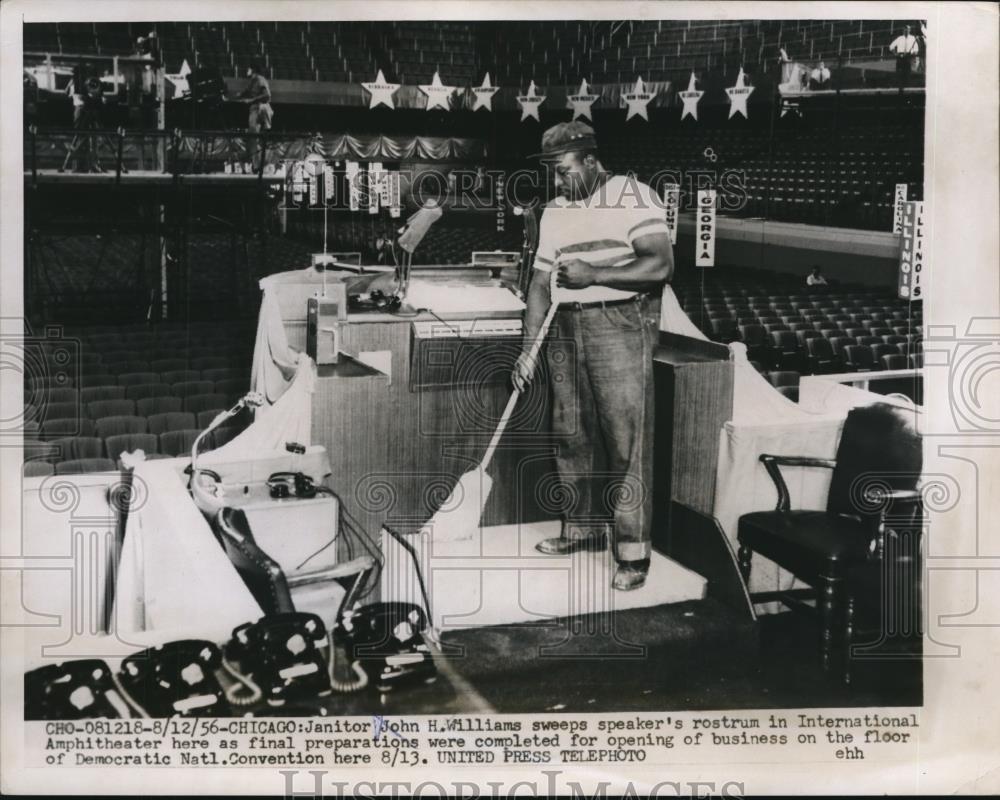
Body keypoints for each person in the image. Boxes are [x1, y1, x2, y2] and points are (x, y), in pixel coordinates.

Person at [512, 121, 673, 591]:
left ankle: (632, 552)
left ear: (589, 159)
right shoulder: (555, 211)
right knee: (570, 433)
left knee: (626, 442)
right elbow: (539, 283)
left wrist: (595, 274)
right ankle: (581, 529)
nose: (557, 181)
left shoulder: (633, 195)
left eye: (563, 171)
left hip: (617, 323)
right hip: (565, 327)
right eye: (552, 172)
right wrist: (528, 350)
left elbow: (660, 265)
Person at [240, 60, 273, 168]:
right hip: (255, 108)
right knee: (253, 138)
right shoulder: (252, 82)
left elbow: (267, 95)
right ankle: (256, 164)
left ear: (253, 70)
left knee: (254, 137)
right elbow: (245, 92)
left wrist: (251, 100)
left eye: (248, 69)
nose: (247, 71)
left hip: (261, 108)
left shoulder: (260, 79)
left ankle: (259, 163)